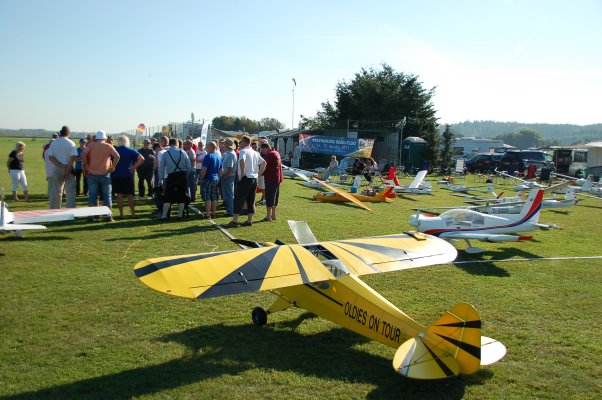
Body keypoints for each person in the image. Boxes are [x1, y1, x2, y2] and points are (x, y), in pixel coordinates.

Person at [226, 136, 266, 228]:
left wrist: (242, 173)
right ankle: (249, 220)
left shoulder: (243, 151)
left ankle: (234, 221)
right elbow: (264, 163)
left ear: (244, 142)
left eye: (240, 142)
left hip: (246, 177)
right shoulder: (255, 152)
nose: (239, 144)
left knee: (238, 199)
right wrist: (258, 174)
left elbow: (242, 160)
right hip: (254, 178)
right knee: (251, 199)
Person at [82, 130, 120, 221]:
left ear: (96, 138)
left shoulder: (91, 145)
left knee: (92, 195)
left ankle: (91, 216)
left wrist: (86, 164)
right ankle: (109, 216)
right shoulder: (108, 146)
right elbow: (117, 156)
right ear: (104, 138)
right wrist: (113, 166)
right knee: (107, 196)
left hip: (92, 173)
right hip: (105, 174)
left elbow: (83, 154)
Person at [158, 138, 191, 220]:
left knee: (168, 195)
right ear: (177, 144)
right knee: (182, 195)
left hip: (171, 176)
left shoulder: (166, 154)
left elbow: (161, 168)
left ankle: (164, 215)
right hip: (182, 175)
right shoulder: (183, 152)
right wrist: (185, 175)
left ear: (169, 144)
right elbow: (189, 167)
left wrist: (160, 179)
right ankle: (180, 215)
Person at [112, 135, 144, 219]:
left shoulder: (115, 150)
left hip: (116, 175)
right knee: (130, 195)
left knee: (119, 195)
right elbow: (142, 159)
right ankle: (133, 213)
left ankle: (121, 214)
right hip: (128, 175)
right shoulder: (131, 150)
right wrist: (134, 167)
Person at [47, 125, 77, 209]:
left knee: (56, 190)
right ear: (68, 133)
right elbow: (73, 158)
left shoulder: (54, 142)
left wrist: (61, 166)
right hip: (69, 168)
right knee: (70, 191)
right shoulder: (71, 143)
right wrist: (66, 170)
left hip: (57, 168)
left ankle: (54, 209)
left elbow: (51, 157)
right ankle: (70, 210)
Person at [259, 142, 282, 222]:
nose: (262, 152)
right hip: (277, 178)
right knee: (275, 197)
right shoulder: (276, 153)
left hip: (270, 179)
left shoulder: (270, 155)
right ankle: (273, 215)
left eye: (262, 150)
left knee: (269, 197)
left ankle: (268, 216)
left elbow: (264, 165)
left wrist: (259, 174)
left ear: (265, 148)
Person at [200, 141, 223, 219]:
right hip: (215, 178)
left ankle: (207, 214)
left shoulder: (208, 156)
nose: (206, 148)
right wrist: (218, 177)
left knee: (207, 197)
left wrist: (201, 178)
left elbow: (204, 169)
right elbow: (221, 170)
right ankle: (213, 213)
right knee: (214, 197)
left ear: (211, 147)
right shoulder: (218, 157)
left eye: (207, 146)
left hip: (208, 178)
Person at [220, 139, 237, 217]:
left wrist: (225, 176)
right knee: (228, 194)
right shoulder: (229, 153)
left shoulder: (230, 154)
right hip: (228, 175)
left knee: (228, 194)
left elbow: (230, 167)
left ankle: (230, 211)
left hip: (228, 176)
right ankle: (230, 210)